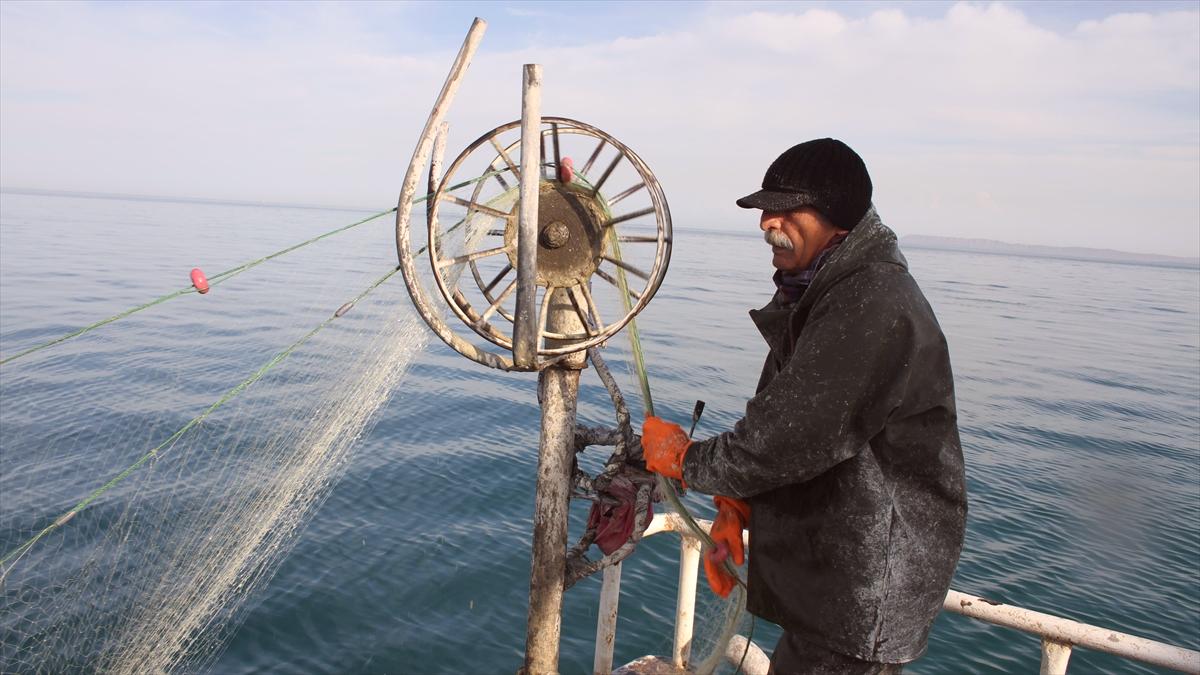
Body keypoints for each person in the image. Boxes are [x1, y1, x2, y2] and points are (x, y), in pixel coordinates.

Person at [641, 138, 968, 674]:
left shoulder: (871, 301)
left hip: (862, 598)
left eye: (785, 209)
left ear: (836, 217)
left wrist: (684, 459)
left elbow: (788, 436)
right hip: (836, 588)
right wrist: (739, 505)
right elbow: (803, 424)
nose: (767, 222)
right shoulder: (830, 290)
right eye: (766, 210)